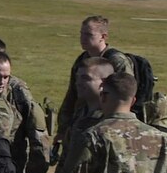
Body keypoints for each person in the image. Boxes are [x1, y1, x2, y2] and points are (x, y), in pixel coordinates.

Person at [54, 15, 134, 159]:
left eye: (88, 34)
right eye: (81, 34)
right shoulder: (82, 59)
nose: (83, 38)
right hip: (83, 119)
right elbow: (72, 94)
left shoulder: (118, 61)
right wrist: (63, 128)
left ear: (103, 36)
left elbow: (126, 94)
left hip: (107, 122)